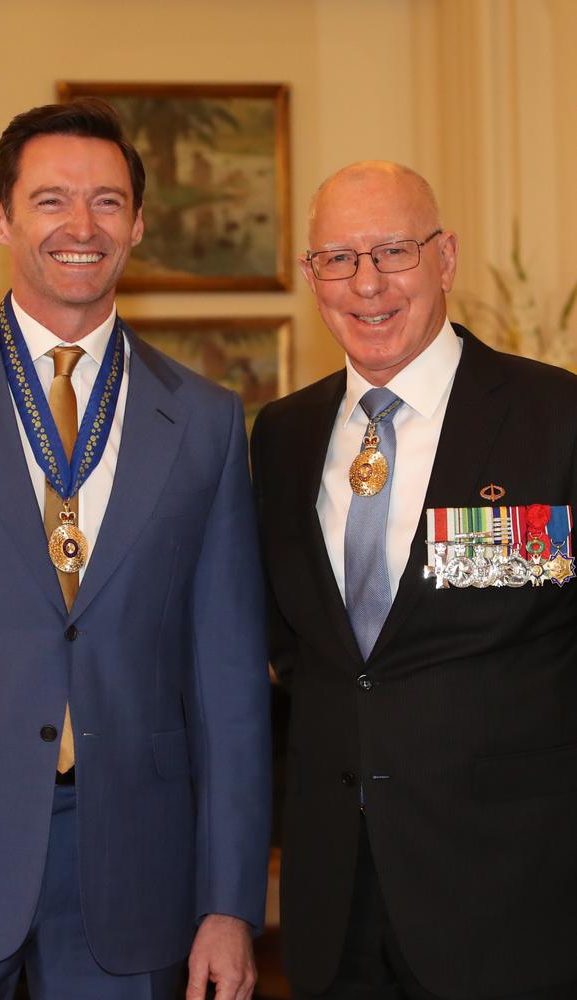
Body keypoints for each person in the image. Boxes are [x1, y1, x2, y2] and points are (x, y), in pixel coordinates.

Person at [0, 98, 270, 1000]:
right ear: (0, 216)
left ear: (139, 224)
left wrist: (230, 904)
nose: (81, 226)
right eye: (50, 200)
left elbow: (230, 683)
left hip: (132, 871)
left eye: (108, 202)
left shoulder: (204, 421)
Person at [251, 160, 577, 1000]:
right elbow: (295, 654)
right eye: (338, 258)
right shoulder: (280, 440)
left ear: (446, 258)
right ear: (310, 275)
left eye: (393, 250)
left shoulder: (555, 420)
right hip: (333, 906)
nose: (367, 284)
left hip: (514, 899)